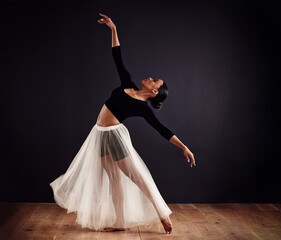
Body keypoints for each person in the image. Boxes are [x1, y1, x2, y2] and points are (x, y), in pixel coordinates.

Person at [50, 13, 196, 234]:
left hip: (113, 136)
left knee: (136, 177)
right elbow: (117, 57)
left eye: (153, 80)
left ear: (154, 91)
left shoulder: (142, 108)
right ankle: (120, 222)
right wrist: (113, 29)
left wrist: (184, 146)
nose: (149, 77)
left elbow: (161, 130)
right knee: (114, 180)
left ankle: (162, 214)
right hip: (99, 134)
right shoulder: (127, 82)